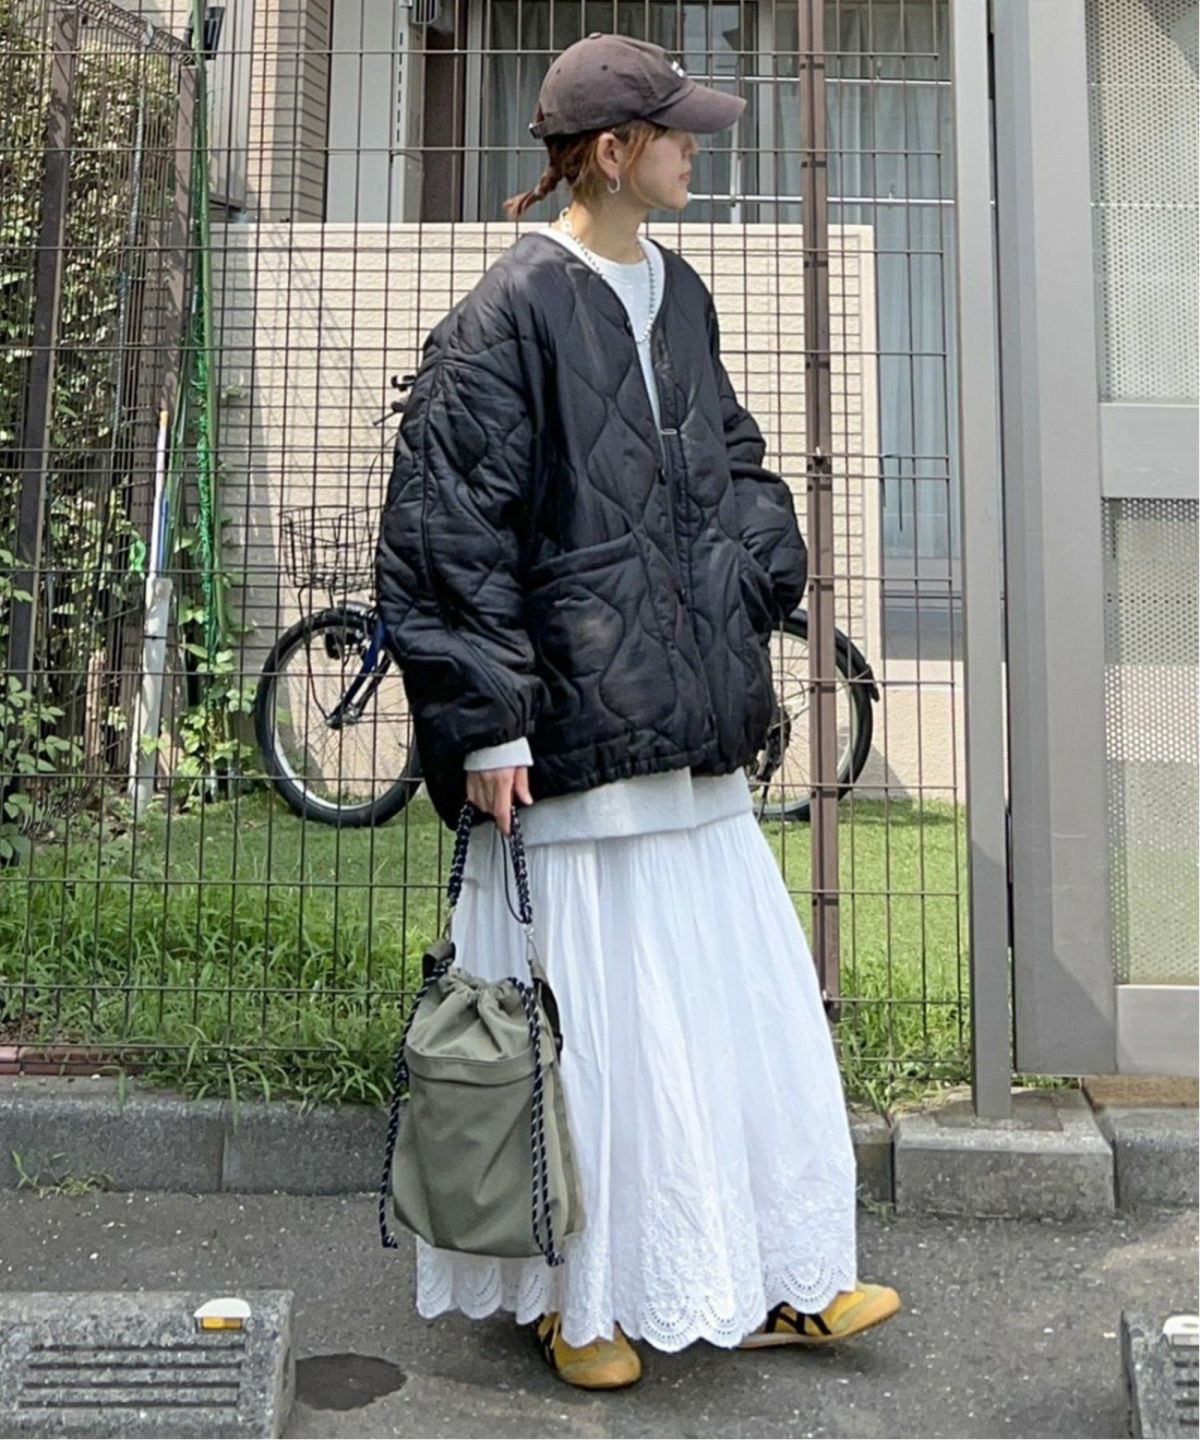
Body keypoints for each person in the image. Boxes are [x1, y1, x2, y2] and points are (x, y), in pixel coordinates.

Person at [376, 32, 900, 1390]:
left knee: (737, 1011)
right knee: (597, 1033)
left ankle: (775, 1271)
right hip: (570, 742)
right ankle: (585, 1297)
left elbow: (734, 457)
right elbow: (445, 531)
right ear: (610, 154)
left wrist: (757, 567)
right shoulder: (508, 310)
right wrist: (486, 723)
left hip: (692, 721)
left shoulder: (679, 289)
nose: (695, 152)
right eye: (675, 134)